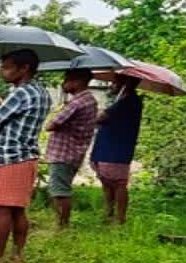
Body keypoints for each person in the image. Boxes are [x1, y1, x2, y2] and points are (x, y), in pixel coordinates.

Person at [0, 49, 51, 263]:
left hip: (9, 157)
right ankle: (17, 254)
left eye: (7, 67)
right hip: (27, 155)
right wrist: (2, 107)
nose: (2, 72)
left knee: (1, 208)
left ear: (24, 68)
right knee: (17, 209)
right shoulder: (41, 91)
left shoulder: (20, 93)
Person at [44, 68, 98, 228]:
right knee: (61, 188)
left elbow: (50, 125)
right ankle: (62, 224)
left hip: (64, 152)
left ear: (79, 81)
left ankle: (62, 226)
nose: (63, 83)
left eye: (67, 79)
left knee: (60, 191)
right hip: (74, 151)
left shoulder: (77, 102)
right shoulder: (89, 100)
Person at [90, 75, 144, 224]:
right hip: (105, 146)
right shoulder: (120, 100)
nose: (111, 85)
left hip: (116, 149)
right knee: (106, 181)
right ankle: (109, 213)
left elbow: (101, 117)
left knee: (118, 183)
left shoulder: (128, 102)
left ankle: (120, 218)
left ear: (126, 84)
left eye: (115, 83)